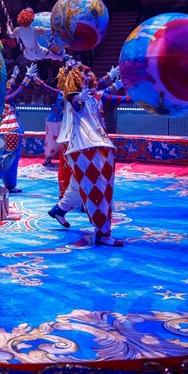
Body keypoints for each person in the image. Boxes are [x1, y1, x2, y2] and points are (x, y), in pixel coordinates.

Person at [47, 64, 125, 246]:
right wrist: (81, 98)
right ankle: (103, 232)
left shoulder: (93, 94)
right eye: (82, 73)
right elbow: (76, 102)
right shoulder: (71, 96)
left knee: (79, 184)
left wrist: (120, 86)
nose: (87, 75)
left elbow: (106, 93)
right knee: (99, 188)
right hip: (84, 147)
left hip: (92, 144)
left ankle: (59, 209)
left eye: (88, 72)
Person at [0, 63, 37, 194]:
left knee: (13, 160)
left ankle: (10, 185)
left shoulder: (2, 95)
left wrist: (13, 76)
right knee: (2, 158)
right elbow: (17, 92)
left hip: (12, 132)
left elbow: (9, 88)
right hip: (4, 132)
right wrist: (27, 77)